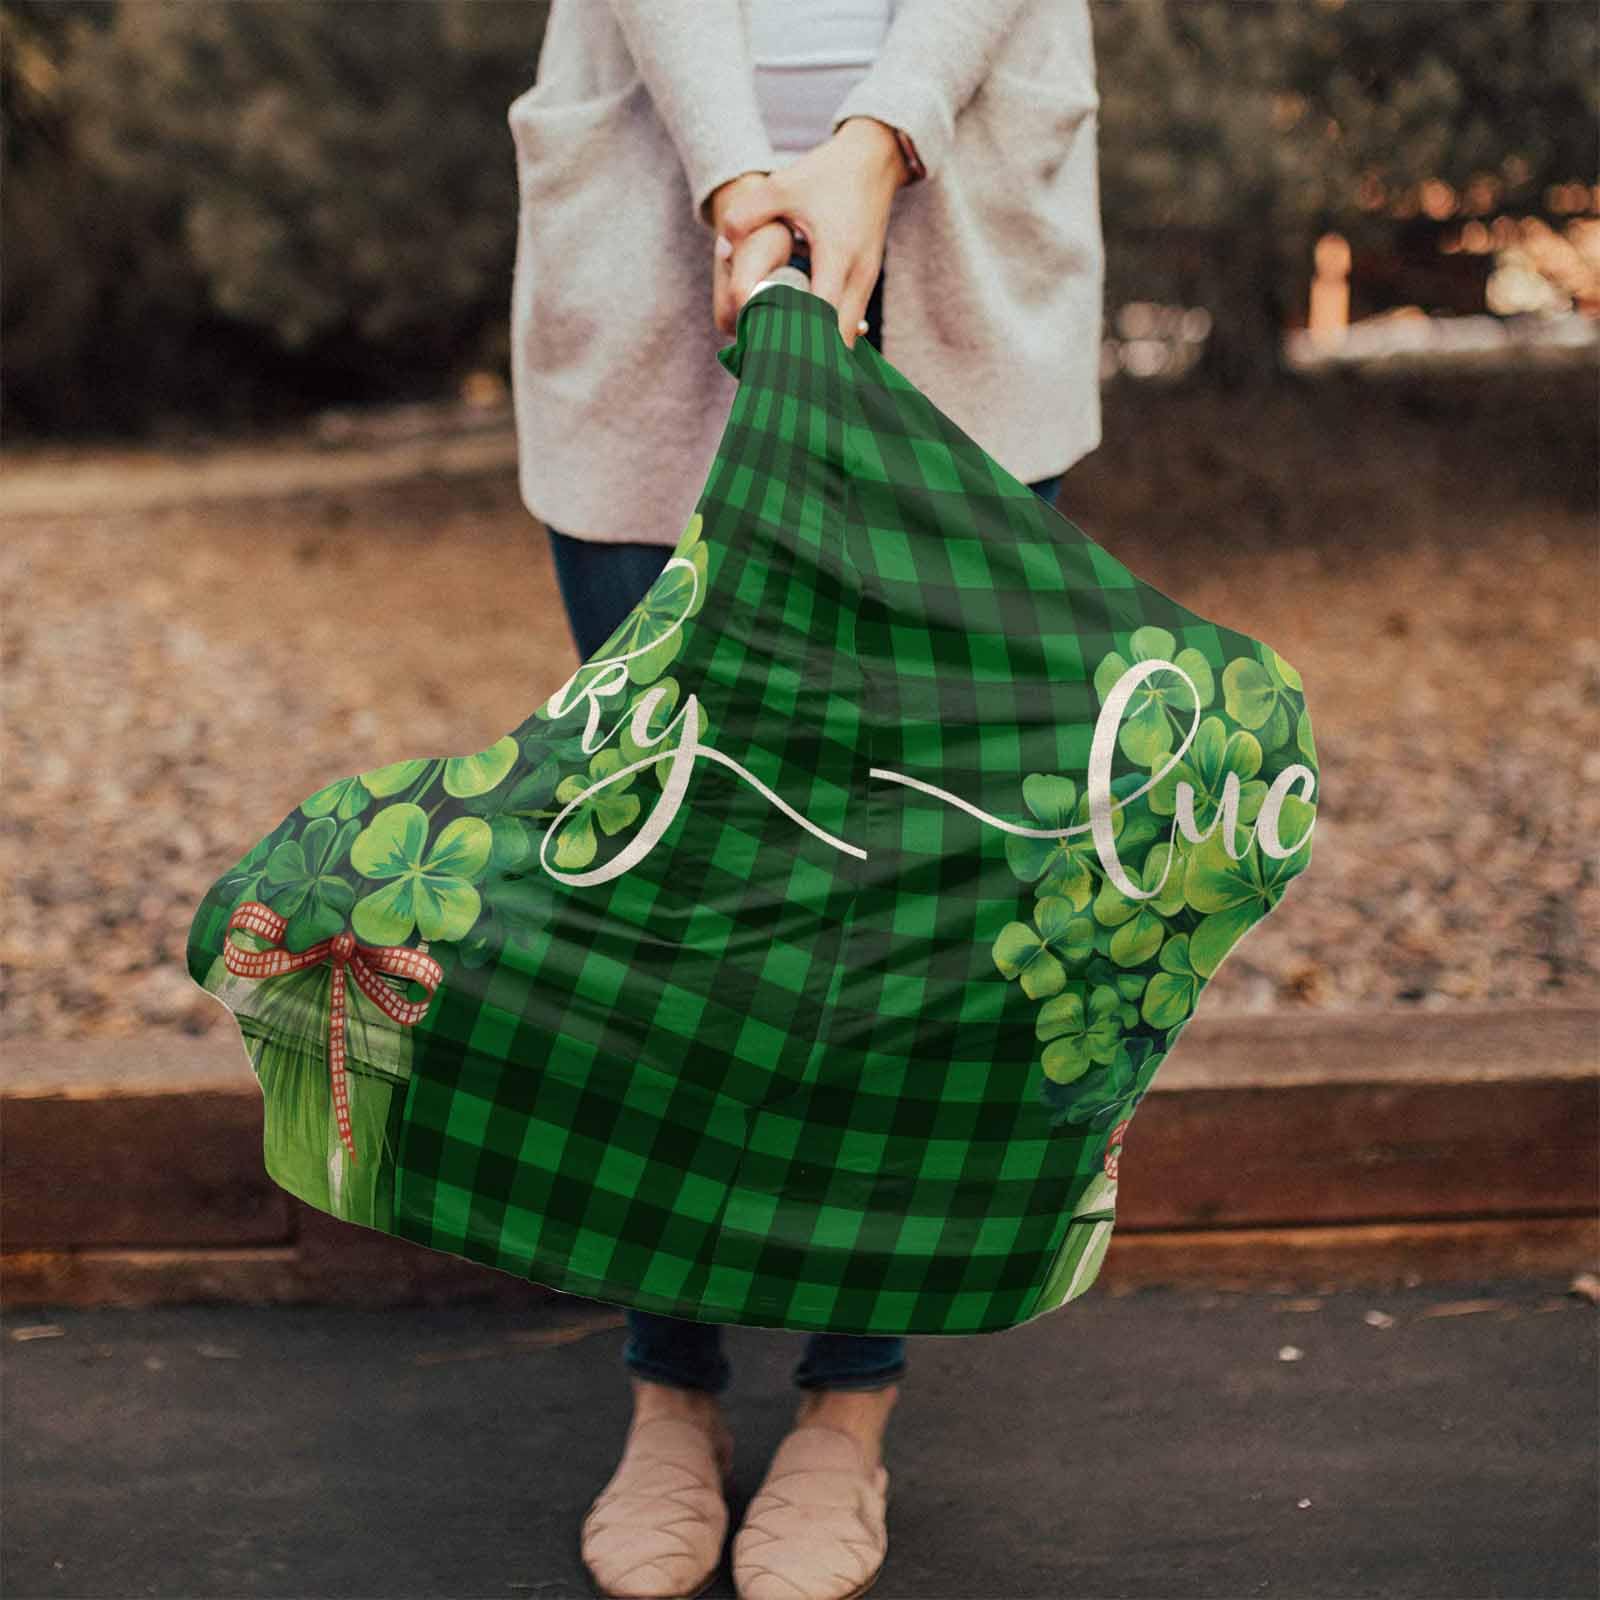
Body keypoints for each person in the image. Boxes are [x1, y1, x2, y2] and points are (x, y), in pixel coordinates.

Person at [505, 4, 1103, 1596]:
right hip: (654, 221)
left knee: (912, 872)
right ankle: (669, 1384)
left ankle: (849, 1401)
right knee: (657, 867)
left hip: (961, 225)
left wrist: (878, 136)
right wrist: (734, 176)